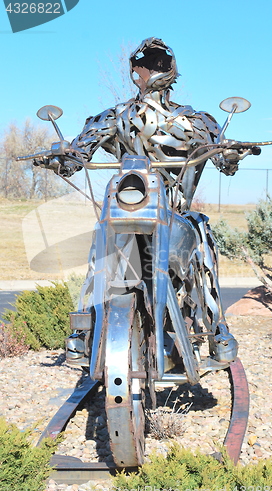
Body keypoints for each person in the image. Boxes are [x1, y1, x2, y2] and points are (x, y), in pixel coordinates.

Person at [39, 37, 240, 363]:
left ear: (170, 70)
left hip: (174, 213)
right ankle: (83, 324)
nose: (152, 71)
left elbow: (222, 155)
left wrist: (229, 152)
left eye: (158, 63)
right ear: (136, 71)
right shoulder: (116, 115)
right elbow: (78, 153)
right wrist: (63, 155)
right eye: (147, 64)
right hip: (126, 205)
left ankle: (218, 328)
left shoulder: (195, 119)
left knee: (201, 231)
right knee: (100, 236)